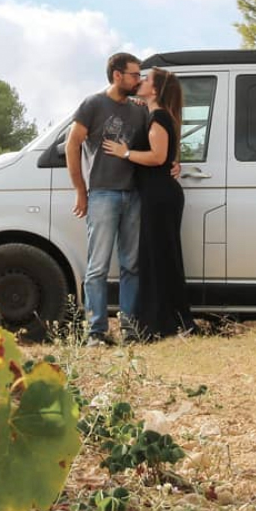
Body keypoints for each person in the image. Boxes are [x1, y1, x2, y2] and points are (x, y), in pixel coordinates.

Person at [66, 52, 151, 346]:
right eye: (134, 75)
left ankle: (129, 329)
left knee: (131, 265)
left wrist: (173, 162)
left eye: (140, 75)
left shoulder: (139, 110)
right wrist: (80, 189)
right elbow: (72, 144)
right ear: (117, 75)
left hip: (133, 195)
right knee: (97, 267)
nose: (138, 79)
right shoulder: (93, 104)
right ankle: (96, 332)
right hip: (102, 194)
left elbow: (154, 145)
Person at [102, 67, 194, 339]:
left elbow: (157, 157)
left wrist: (125, 152)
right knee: (158, 257)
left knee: (161, 258)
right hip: (157, 194)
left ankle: (173, 323)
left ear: (155, 90)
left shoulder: (159, 116)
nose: (140, 81)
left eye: (146, 79)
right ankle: (169, 322)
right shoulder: (153, 112)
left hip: (160, 196)